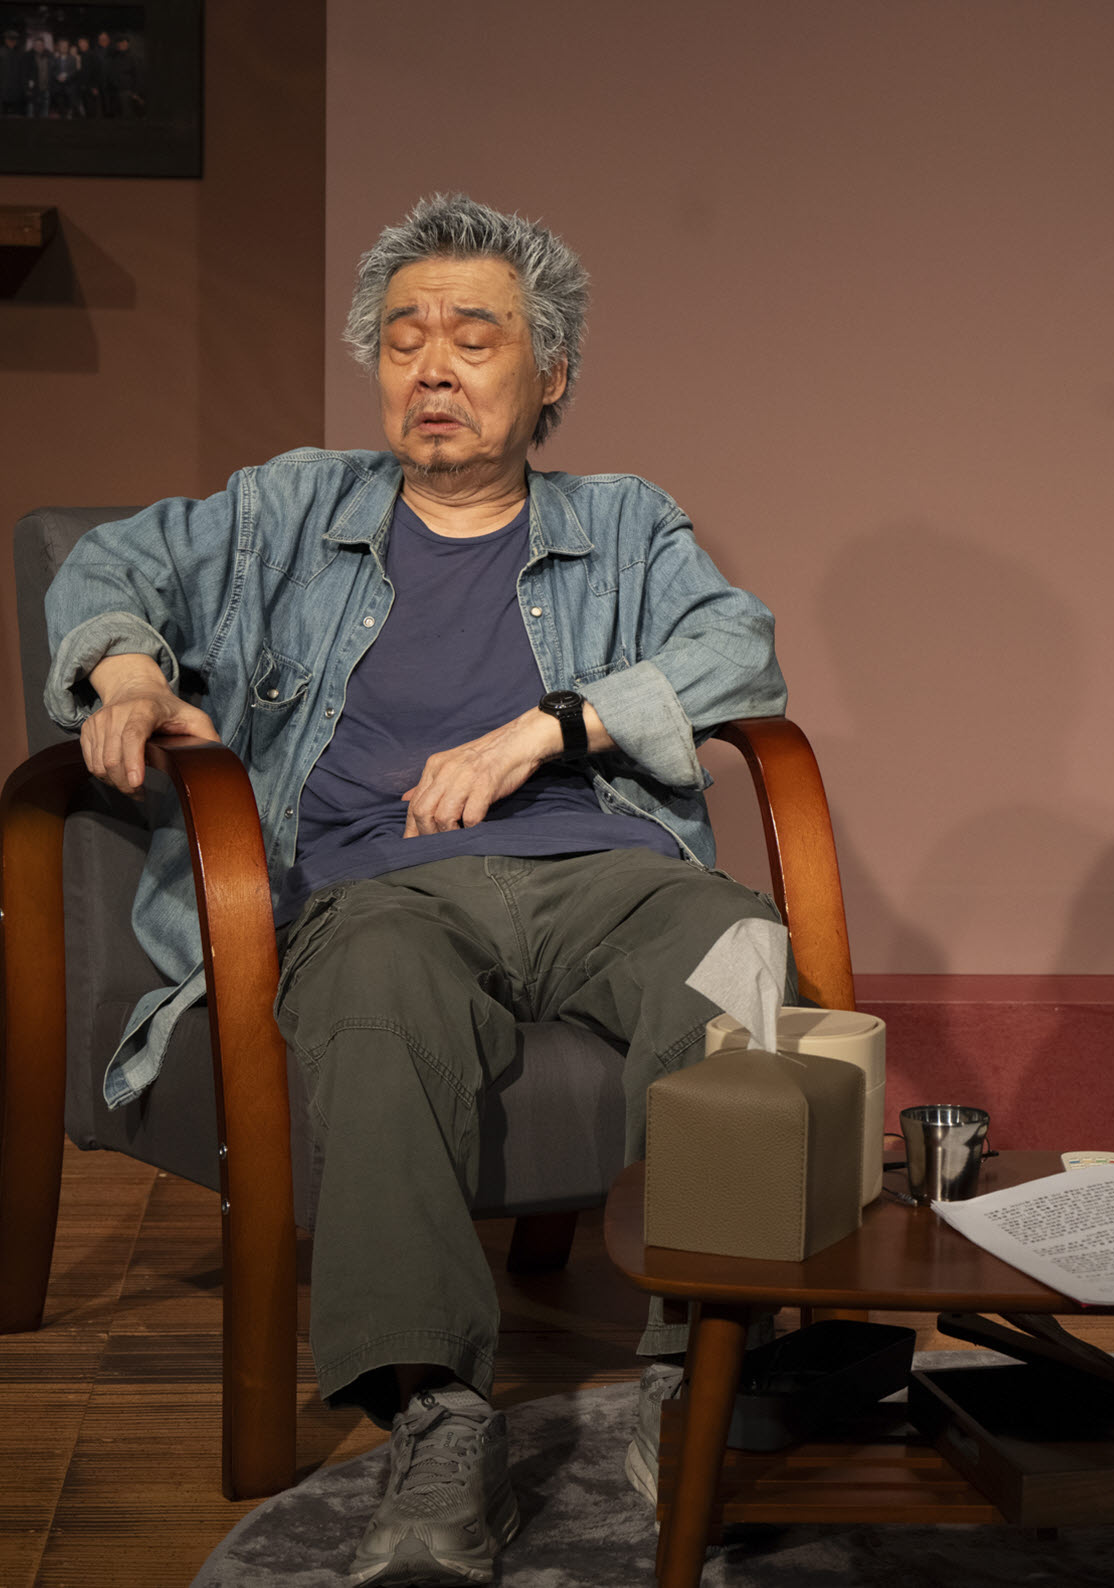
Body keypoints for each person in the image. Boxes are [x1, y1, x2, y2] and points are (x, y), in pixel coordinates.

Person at [45, 194, 790, 1586]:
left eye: (472, 338)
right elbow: (112, 562)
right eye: (402, 340)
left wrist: (545, 730)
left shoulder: (624, 522)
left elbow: (738, 649)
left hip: (603, 876)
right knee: (377, 997)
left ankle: (697, 1368)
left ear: (550, 372)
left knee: (738, 950)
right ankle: (434, 1414)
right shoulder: (286, 508)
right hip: (379, 891)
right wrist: (130, 671)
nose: (431, 367)